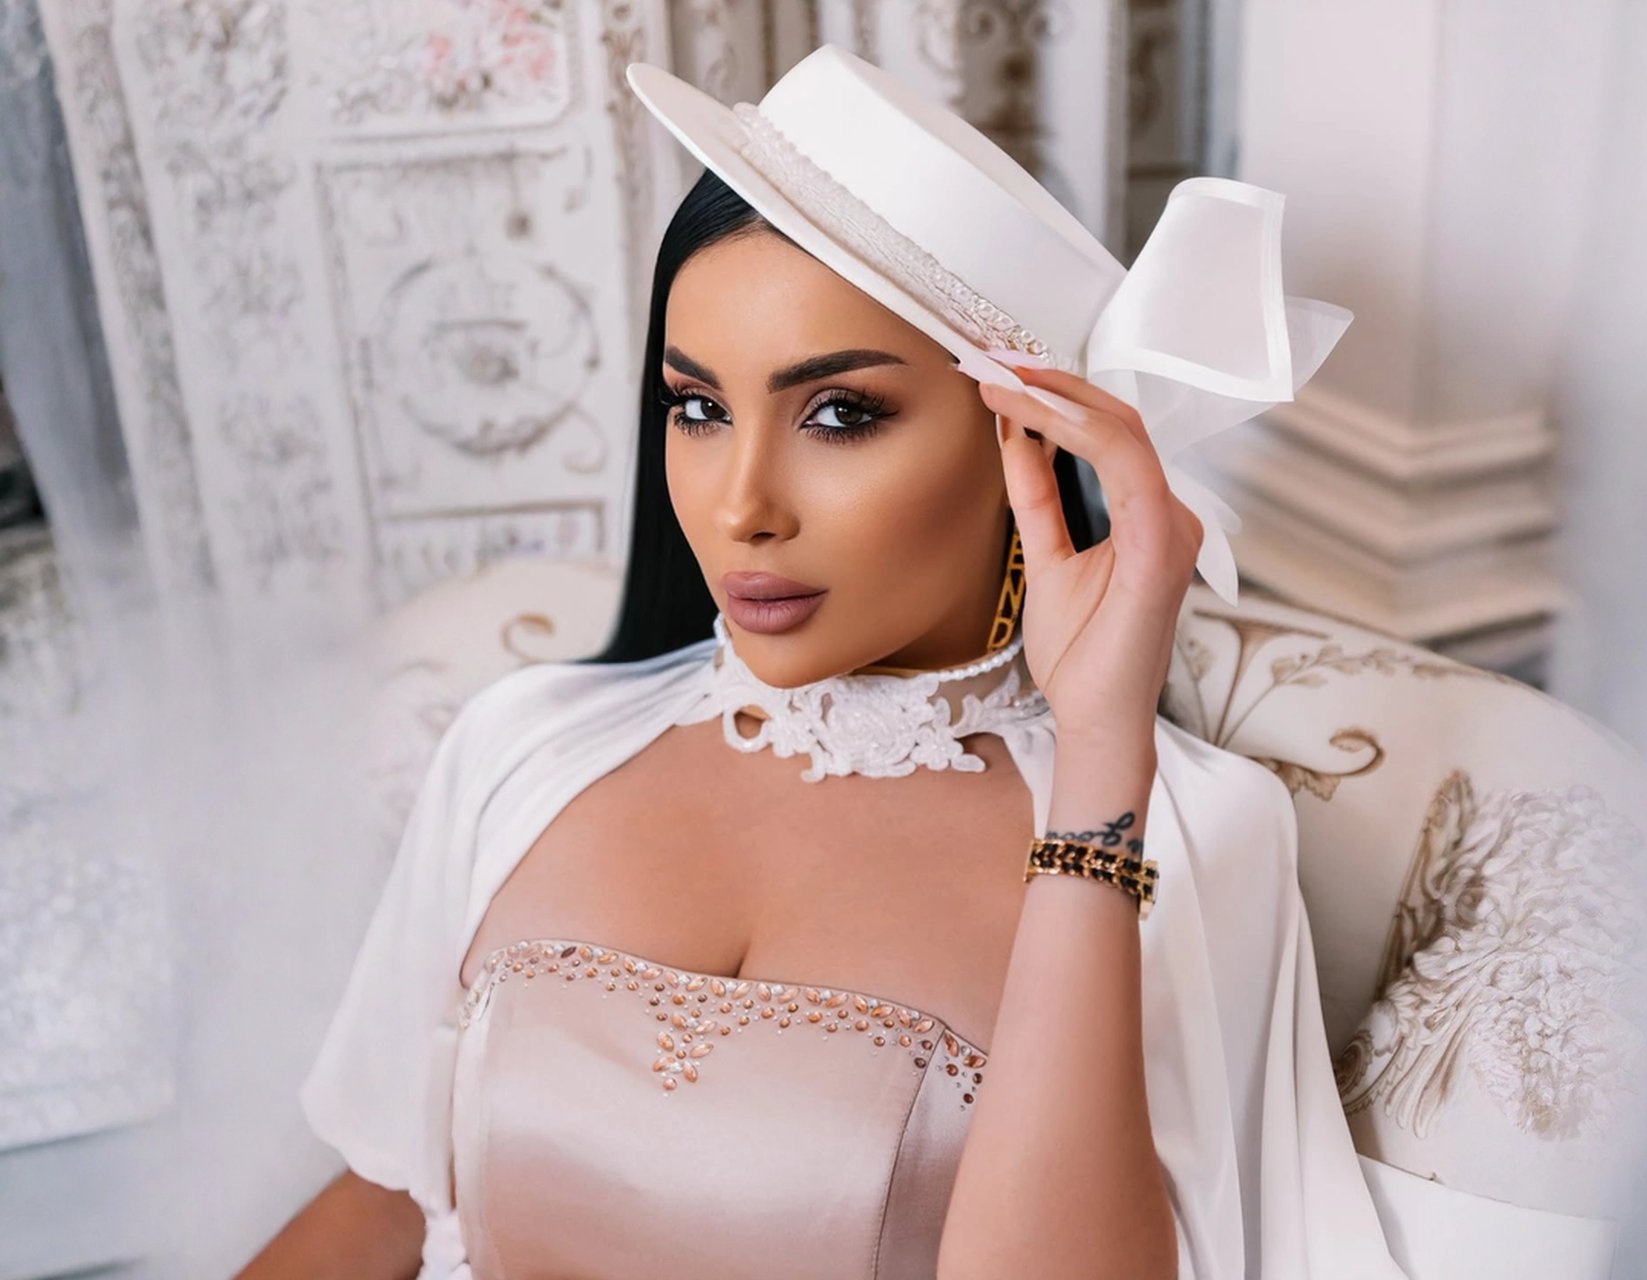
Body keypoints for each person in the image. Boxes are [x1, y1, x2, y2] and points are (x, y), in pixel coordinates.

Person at [239, 45, 1397, 1280]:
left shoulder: (1185, 829)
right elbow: (384, 1202)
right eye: (698, 407)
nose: (741, 506)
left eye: (839, 413)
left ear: (1029, 441)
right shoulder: (524, 744)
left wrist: (1100, 752)